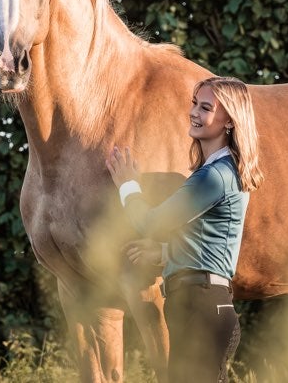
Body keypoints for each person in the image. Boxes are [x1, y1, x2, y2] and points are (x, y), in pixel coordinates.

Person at [106, 76, 263, 382]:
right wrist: (165, 252)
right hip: (201, 305)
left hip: (202, 309)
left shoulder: (215, 175)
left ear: (229, 120)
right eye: (194, 103)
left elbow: (151, 223)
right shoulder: (217, 171)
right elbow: (212, 241)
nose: (193, 112)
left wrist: (128, 186)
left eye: (206, 108)